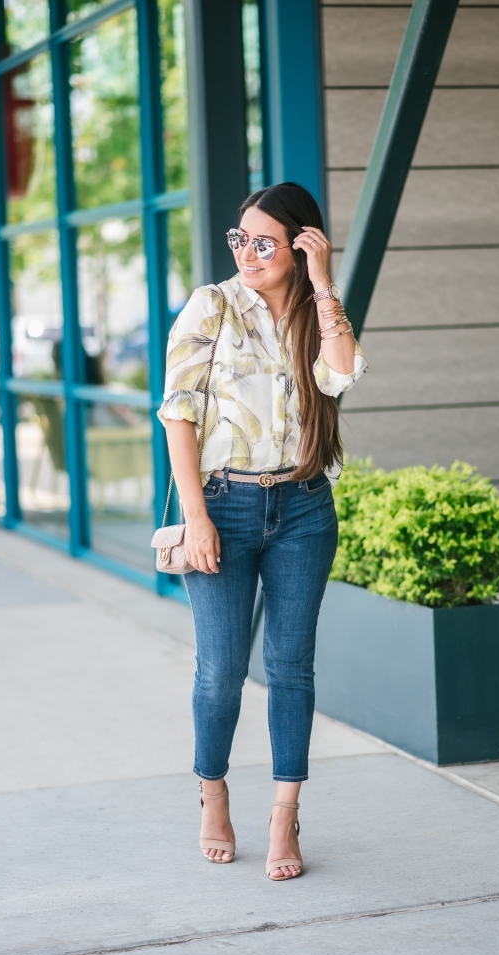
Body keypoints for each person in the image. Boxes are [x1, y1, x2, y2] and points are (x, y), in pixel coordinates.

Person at [158, 182, 367, 880]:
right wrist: (196, 519)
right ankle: (212, 792)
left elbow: (342, 378)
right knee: (220, 670)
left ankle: (285, 814)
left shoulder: (316, 313)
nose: (248, 251)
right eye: (240, 238)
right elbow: (177, 414)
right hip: (224, 505)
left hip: (304, 507)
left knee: (290, 668)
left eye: (265, 240)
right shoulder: (211, 306)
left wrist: (324, 284)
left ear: (301, 243)